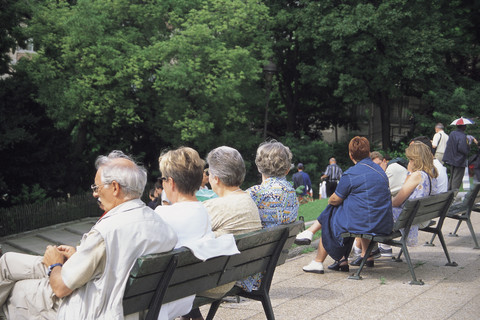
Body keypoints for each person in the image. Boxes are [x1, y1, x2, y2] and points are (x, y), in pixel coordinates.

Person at [0, 150, 178, 319]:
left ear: (115, 187)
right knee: (7, 262)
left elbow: (61, 288)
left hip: (90, 310)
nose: (94, 193)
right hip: (128, 307)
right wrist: (79, 254)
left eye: (97, 187)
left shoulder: (107, 231)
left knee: (15, 290)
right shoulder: (162, 226)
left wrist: (54, 263)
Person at [155, 147, 239, 320]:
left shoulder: (161, 215)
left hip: (165, 294)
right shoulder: (203, 211)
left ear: (170, 182)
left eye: (162, 179)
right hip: (190, 287)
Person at [182, 146, 262, 320]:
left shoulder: (217, 206)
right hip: (234, 273)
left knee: (167, 281)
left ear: (216, 179)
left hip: (216, 282)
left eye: (209, 174)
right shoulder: (248, 200)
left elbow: (181, 232)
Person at [302, 137, 393, 274]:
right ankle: (365, 255)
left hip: (366, 223)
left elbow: (335, 199)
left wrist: (330, 201)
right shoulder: (380, 171)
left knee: (331, 216)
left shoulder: (351, 173)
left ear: (350, 155)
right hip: (384, 222)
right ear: (369, 153)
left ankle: (319, 260)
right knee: (345, 211)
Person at [240, 140, 299, 291]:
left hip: (246, 269)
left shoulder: (254, 194)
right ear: (287, 169)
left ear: (259, 167)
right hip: (269, 260)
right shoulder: (291, 192)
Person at [392, 142, 439, 246]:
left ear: (415, 160)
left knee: (372, 211)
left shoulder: (417, 175)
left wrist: (409, 173)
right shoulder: (432, 174)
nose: (409, 162)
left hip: (408, 219)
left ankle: (369, 250)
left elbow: (396, 202)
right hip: (422, 216)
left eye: (410, 159)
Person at [443, 124, 470, 191]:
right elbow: (462, 148)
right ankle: (453, 194)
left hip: (452, 159)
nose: (466, 127)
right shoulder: (463, 136)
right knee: (457, 178)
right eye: (465, 126)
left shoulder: (452, 133)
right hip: (459, 160)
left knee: (452, 177)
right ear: (463, 127)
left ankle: (449, 193)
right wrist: (468, 147)